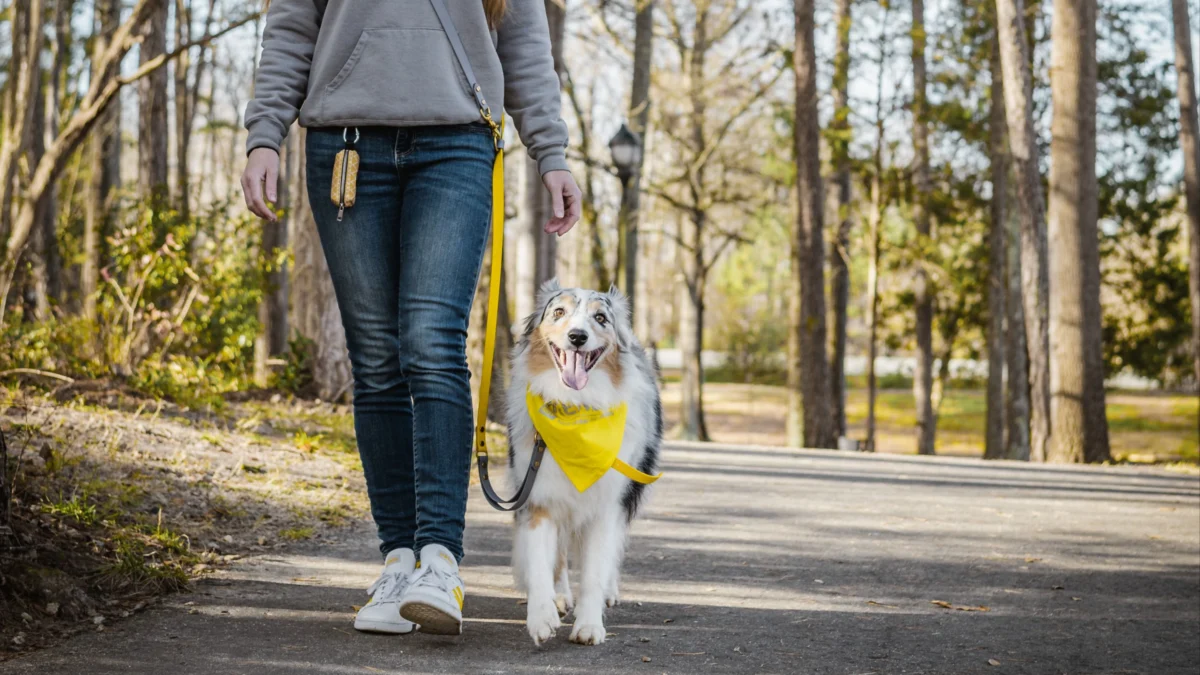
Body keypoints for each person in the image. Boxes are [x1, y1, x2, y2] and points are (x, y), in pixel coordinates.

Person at [239, 0, 580, 637]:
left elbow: (526, 38)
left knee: (431, 340)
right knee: (375, 357)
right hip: (345, 148)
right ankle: (397, 560)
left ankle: (440, 563)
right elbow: (290, 26)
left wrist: (551, 152)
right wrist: (265, 133)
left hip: (458, 141)